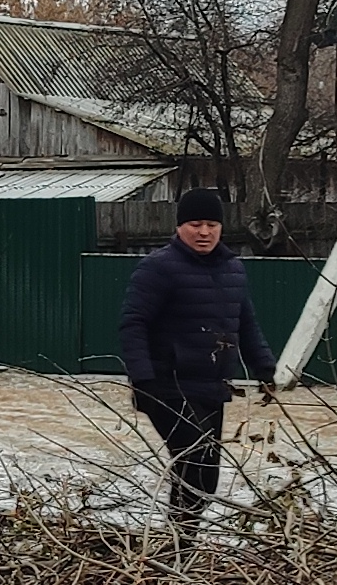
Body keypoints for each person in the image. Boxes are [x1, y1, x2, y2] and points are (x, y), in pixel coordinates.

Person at [114, 185, 273, 541]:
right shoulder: (157, 269)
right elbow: (133, 323)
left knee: (206, 475)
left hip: (211, 386)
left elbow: (244, 321)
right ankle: (179, 548)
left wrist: (264, 367)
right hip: (166, 384)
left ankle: (181, 543)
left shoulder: (233, 269)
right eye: (196, 224)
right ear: (179, 227)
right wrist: (143, 378)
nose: (204, 232)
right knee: (194, 459)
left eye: (212, 224)